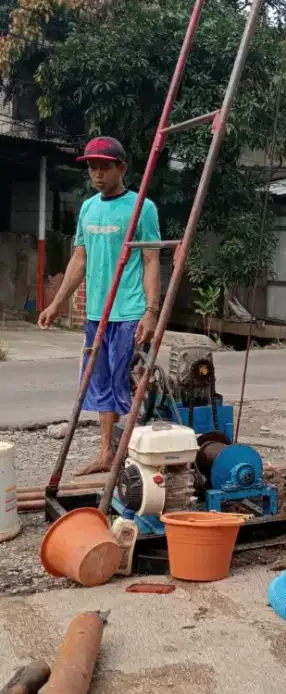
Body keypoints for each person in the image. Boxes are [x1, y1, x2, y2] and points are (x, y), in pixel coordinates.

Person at [38, 136, 161, 475]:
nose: (97, 173)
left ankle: (134, 454)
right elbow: (80, 258)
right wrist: (56, 303)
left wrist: (152, 312)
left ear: (121, 168)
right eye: (92, 166)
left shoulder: (142, 208)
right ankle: (107, 453)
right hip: (97, 314)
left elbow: (151, 260)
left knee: (128, 384)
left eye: (105, 166)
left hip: (130, 312)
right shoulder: (89, 208)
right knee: (100, 382)